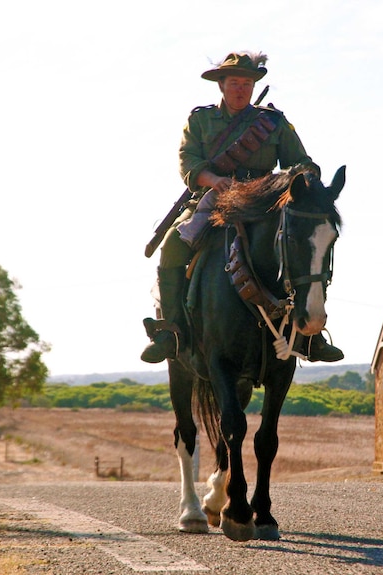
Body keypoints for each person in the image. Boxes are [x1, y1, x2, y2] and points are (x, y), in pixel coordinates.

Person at [141, 51, 343, 364]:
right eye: (234, 83)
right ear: (221, 85)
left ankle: (310, 336)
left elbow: (301, 161)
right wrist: (213, 179)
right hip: (216, 197)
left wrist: (307, 178)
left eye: (247, 83)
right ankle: (172, 333)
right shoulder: (201, 119)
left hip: (265, 200)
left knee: (307, 241)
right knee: (172, 246)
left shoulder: (273, 122)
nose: (241, 89)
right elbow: (188, 162)